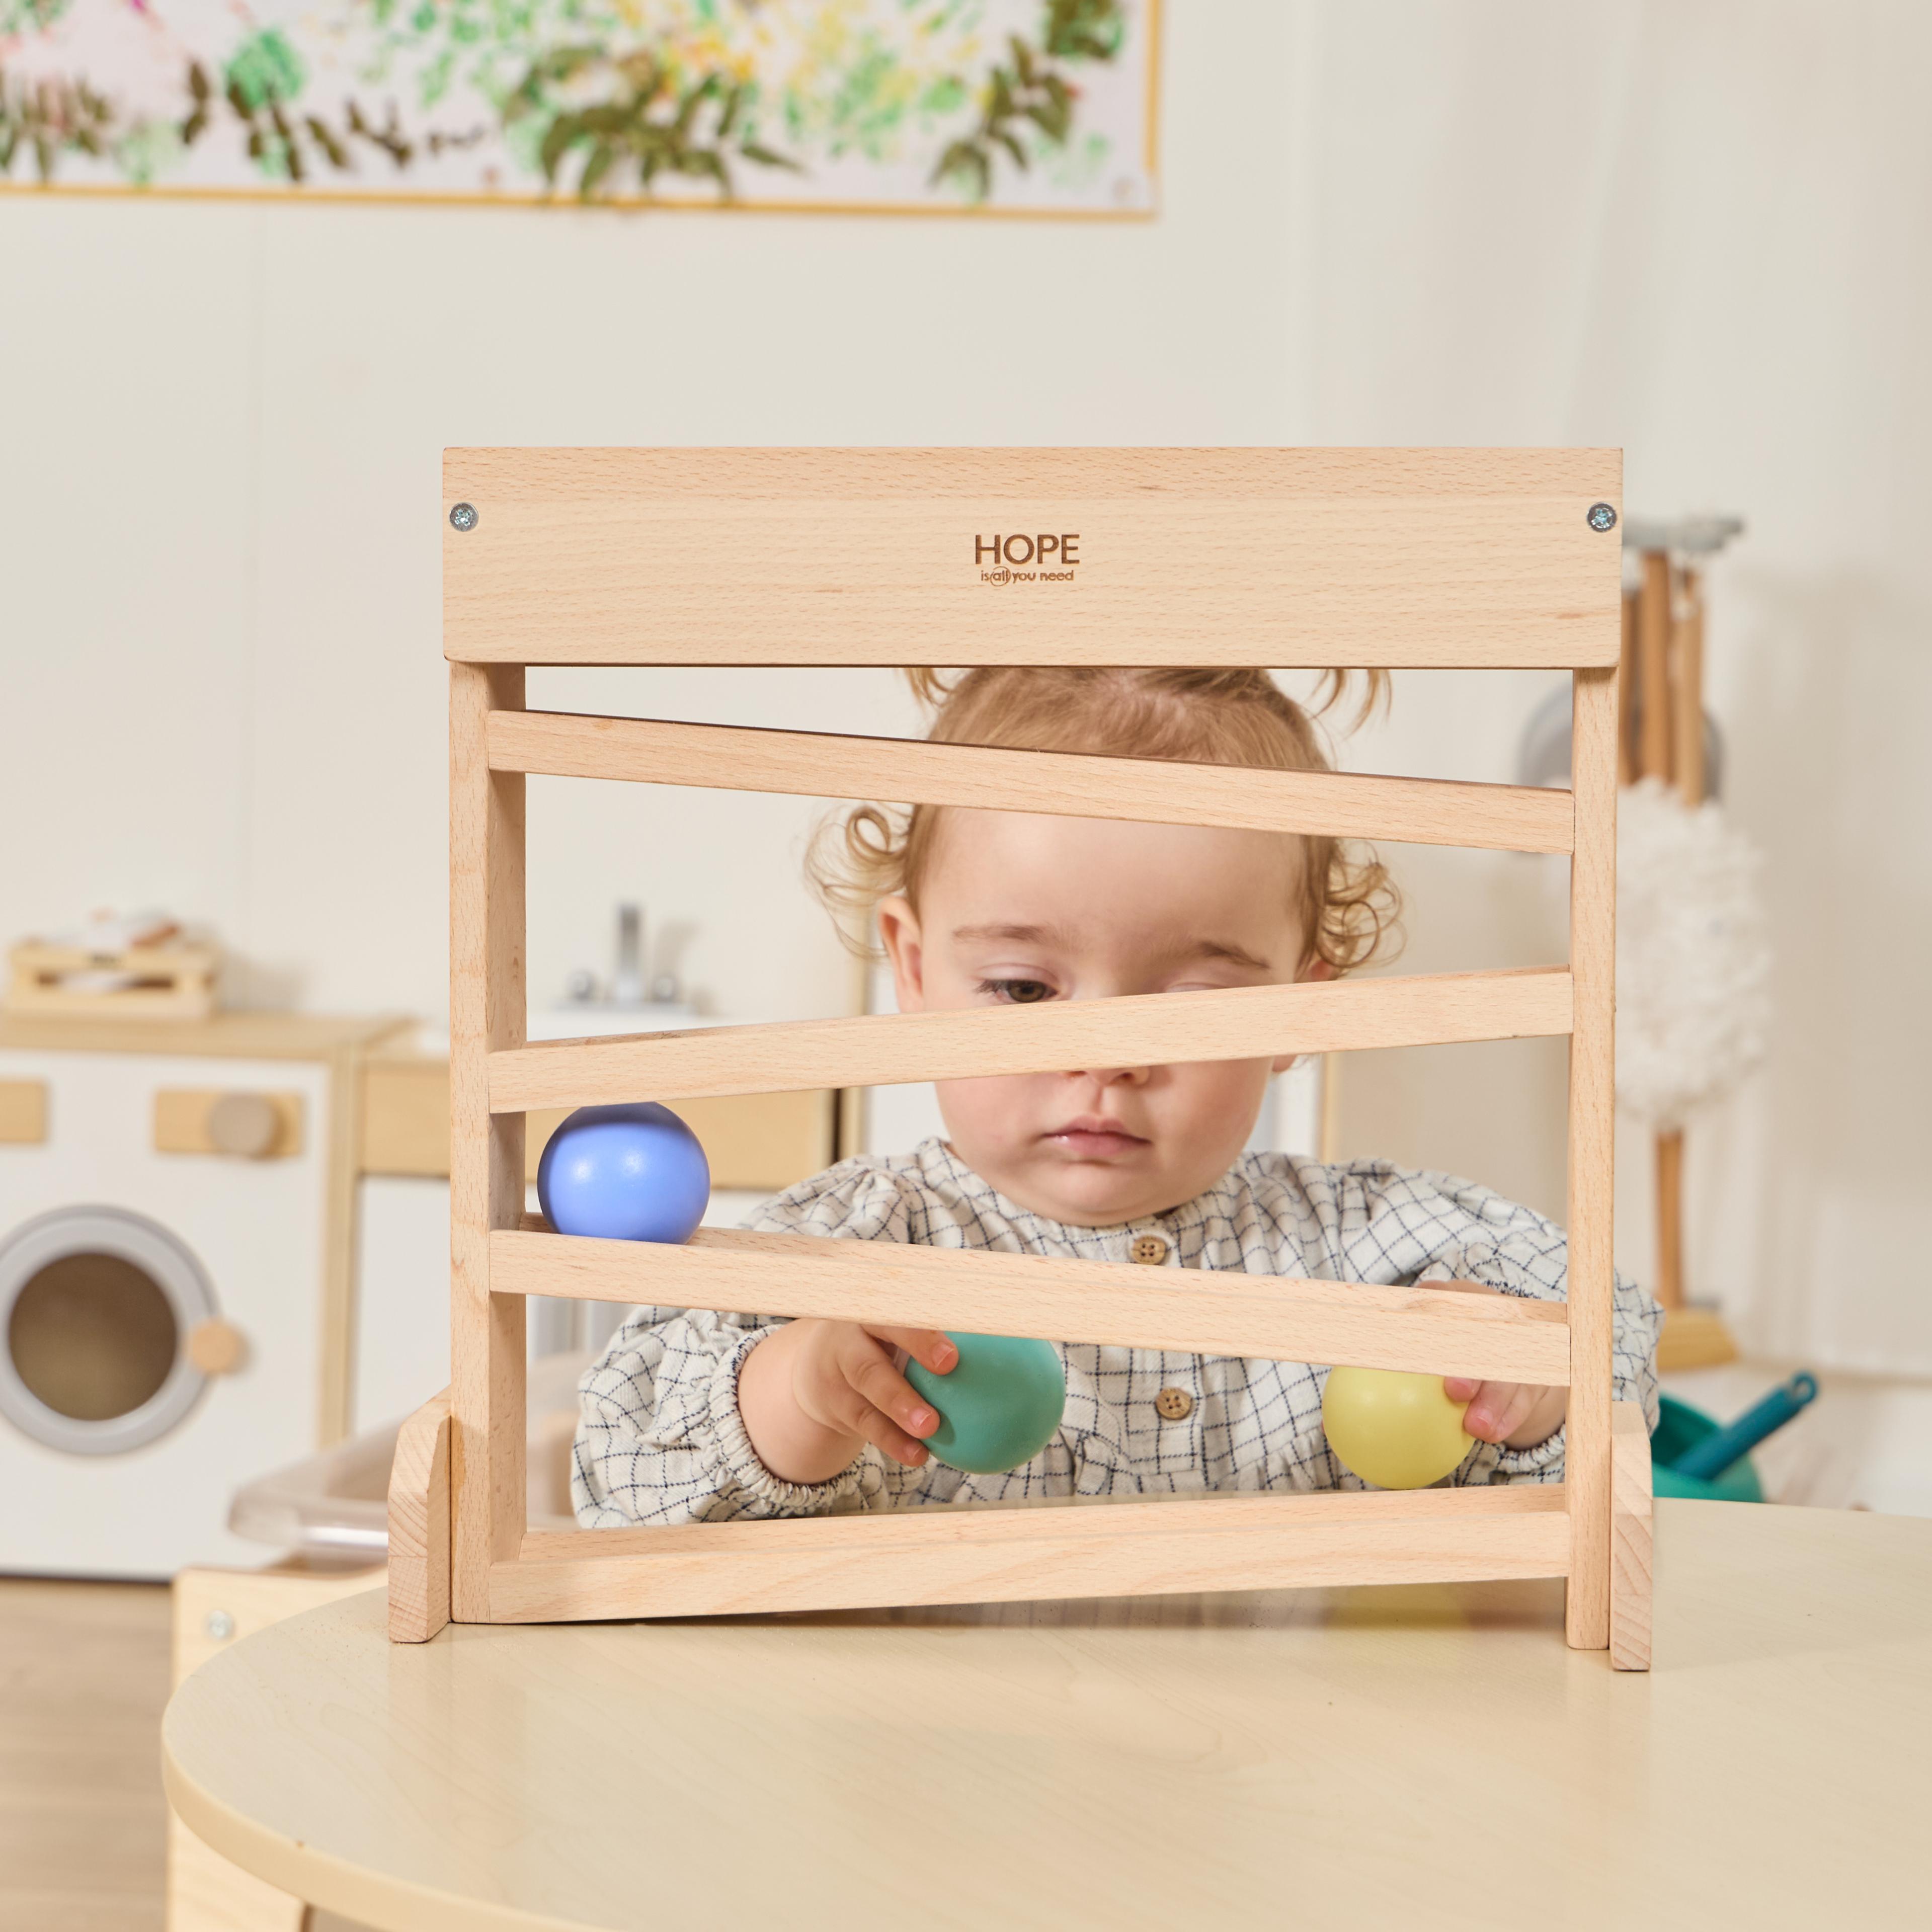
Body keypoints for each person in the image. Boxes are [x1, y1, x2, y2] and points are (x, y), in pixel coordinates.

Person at [573, 668, 1660, 1526]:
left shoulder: (1376, 1243)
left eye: (1194, 1004)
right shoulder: (854, 1252)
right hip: (929, 1767)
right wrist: (804, 1394)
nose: (1108, 1056)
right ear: (912, 970)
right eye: (1024, 989)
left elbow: (1618, 1336)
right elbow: (621, 1470)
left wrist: (1525, 1376)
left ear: (1304, 1011)